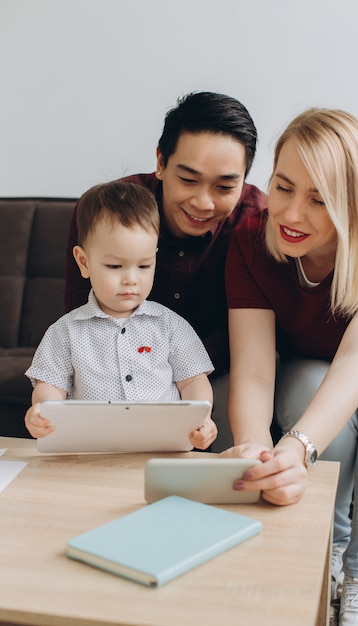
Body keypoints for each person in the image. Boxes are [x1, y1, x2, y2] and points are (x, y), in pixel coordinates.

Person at [223, 108, 358, 625]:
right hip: (308, 367)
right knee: (310, 383)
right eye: (283, 187)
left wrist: (298, 446)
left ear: (354, 203)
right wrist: (255, 449)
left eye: (320, 199)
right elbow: (255, 366)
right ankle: (324, 549)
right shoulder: (249, 237)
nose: (291, 214)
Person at [64, 91, 267, 452]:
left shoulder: (255, 223)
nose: (203, 202)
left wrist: (183, 389)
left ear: (245, 180)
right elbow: (81, 320)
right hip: (118, 379)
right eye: (188, 180)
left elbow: (252, 349)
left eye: (224, 187)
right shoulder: (107, 215)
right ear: (161, 162)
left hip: (217, 377)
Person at [25, 181, 217, 451]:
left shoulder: (170, 326)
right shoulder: (66, 331)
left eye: (144, 265)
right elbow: (51, 385)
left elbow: (194, 380)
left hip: (163, 448)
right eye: (115, 266)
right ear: (84, 262)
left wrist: (202, 417)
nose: (131, 280)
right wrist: (42, 411)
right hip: (91, 448)